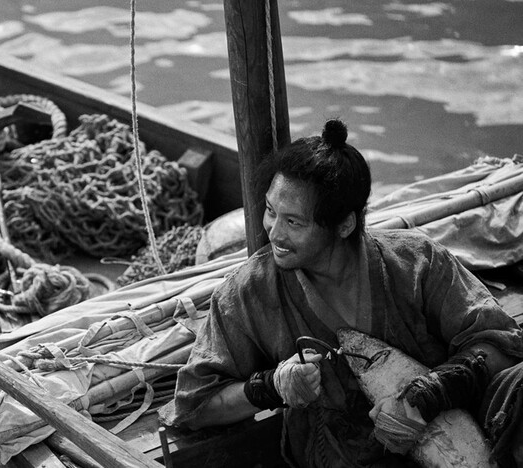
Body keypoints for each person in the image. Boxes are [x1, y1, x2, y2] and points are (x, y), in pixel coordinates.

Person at [165, 119, 523, 467]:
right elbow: (195, 405)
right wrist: (271, 386)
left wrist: (429, 395)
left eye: (294, 222)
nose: (274, 233)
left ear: (344, 224)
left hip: (465, 420)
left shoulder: (417, 262)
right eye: (271, 212)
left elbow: (501, 345)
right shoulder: (248, 292)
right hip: (351, 454)